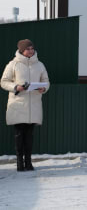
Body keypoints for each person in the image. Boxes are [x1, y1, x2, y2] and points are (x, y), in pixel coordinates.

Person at [1, 39, 49, 172]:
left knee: (29, 135)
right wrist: (16, 87)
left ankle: (28, 162)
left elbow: (46, 81)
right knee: (19, 134)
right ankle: (19, 163)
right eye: (28, 49)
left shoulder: (39, 65)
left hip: (33, 104)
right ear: (22, 50)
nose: (31, 51)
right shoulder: (13, 64)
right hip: (18, 105)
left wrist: (43, 88)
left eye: (32, 48)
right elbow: (4, 82)